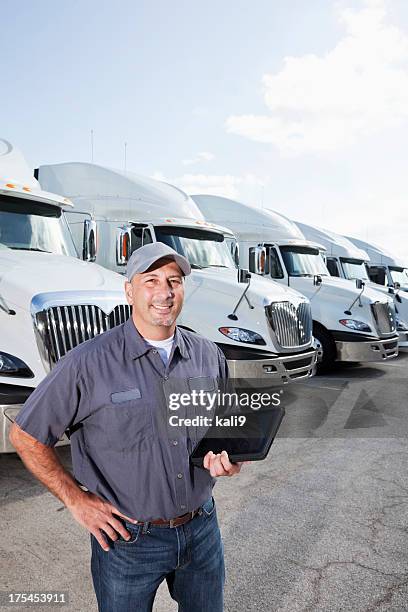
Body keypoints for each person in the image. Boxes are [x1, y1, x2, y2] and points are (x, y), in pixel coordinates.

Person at [9, 241, 245, 612]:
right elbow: (25, 435)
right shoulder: (88, 363)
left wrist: (230, 458)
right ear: (129, 290)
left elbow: (221, 430)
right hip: (128, 541)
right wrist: (76, 500)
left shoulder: (207, 354)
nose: (164, 293)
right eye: (150, 280)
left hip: (202, 530)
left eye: (174, 280)